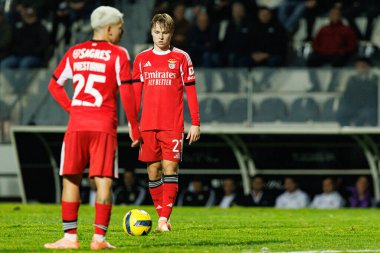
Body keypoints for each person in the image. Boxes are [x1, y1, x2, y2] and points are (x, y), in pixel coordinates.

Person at [44, 6, 141, 250]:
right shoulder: (119, 54)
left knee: (71, 179)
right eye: (120, 28)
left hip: (77, 124)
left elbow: (54, 86)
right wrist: (133, 125)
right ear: (108, 29)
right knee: (104, 181)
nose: (122, 32)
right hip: (103, 125)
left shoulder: (74, 52)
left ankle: (69, 238)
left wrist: (71, 108)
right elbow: (127, 93)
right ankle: (98, 239)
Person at [132, 13, 201, 232]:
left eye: (165, 32)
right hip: (148, 125)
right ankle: (161, 212)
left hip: (173, 124)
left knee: (170, 168)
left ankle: (163, 219)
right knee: (153, 171)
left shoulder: (182, 57)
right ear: (152, 32)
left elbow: (191, 92)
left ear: (172, 33)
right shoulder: (141, 59)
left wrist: (196, 122)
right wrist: (133, 125)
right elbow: (134, 95)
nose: (161, 37)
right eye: (157, 32)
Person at [337, 57, 378, 126]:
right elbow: (347, 95)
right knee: (343, 112)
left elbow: (374, 96)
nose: (360, 69)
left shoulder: (375, 79)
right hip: (354, 106)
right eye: (358, 67)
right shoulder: (352, 80)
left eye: (363, 66)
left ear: (368, 67)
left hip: (369, 107)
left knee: (366, 113)